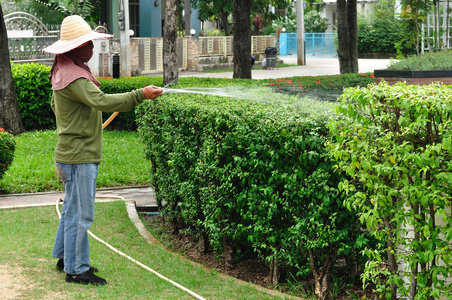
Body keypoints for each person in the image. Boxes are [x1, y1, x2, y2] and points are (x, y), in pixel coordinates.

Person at [42, 15, 163, 285]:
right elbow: (102, 101)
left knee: (72, 209)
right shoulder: (75, 76)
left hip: (70, 154)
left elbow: (61, 107)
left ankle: (66, 258)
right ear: (74, 47)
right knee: (80, 213)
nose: (92, 47)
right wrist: (139, 94)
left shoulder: (63, 68)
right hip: (79, 157)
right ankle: (76, 270)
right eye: (88, 43)